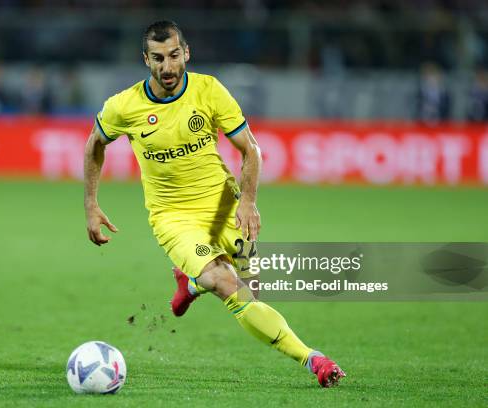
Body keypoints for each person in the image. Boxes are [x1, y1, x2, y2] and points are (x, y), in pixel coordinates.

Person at [83, 20, 345, 388]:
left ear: (186, 53)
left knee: (252, 291)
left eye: (174, 55)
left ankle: (190, 284)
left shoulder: (209, 91)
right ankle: (314, 359)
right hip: (173, 218)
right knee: (229, 286)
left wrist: (249, 201)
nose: (168, 66)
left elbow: (250, 149)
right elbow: (95, 143)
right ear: (146, 60)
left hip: (225, 205)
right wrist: (91, 203)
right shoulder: (124, 106)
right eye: (158, 58)